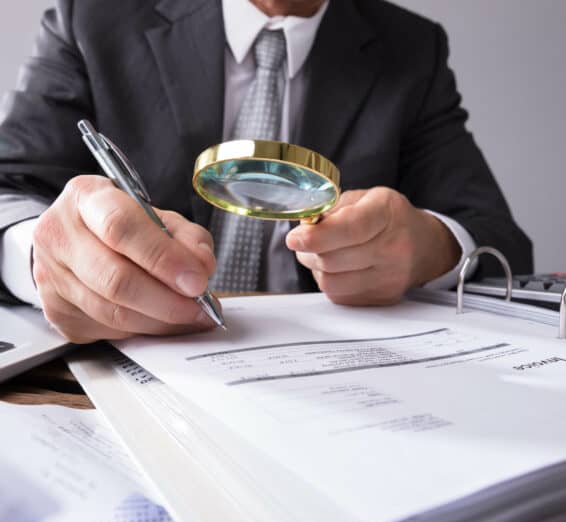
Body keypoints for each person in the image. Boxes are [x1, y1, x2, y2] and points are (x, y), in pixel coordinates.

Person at [0, 0, 532, 343]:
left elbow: (498, 238)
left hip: (331, 373)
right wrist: (42, 255)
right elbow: (8, 186)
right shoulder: (92, 17)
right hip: (126, 362)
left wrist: (428, 248)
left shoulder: (412, 49)